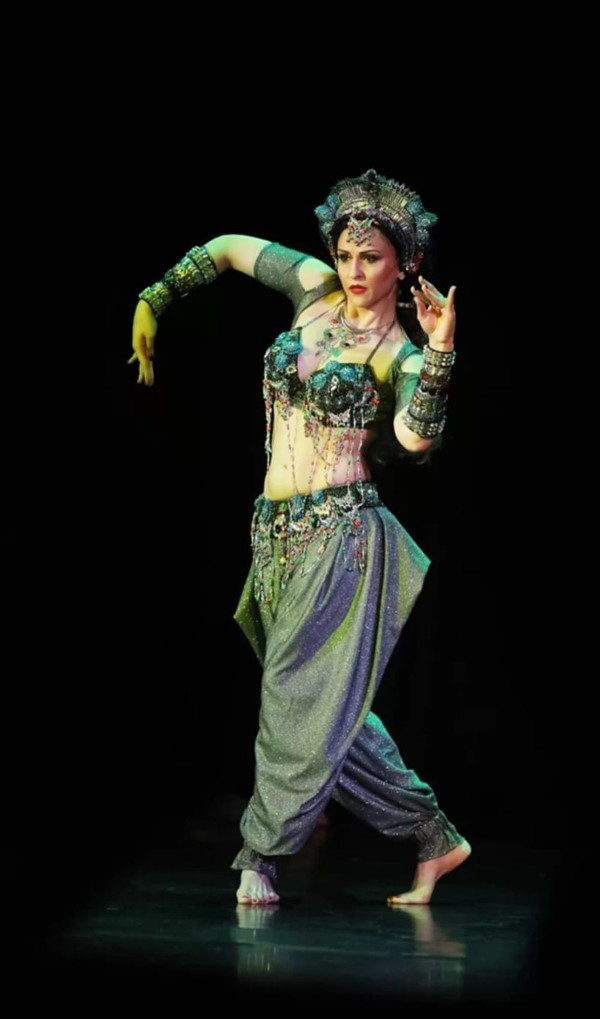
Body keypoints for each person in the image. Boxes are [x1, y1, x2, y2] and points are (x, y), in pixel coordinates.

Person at [130, 169, 471, 907]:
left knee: (290, 696)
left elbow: (414, 438)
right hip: (274, 534)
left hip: (342, 535)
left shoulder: (401, 352)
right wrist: (155, 297)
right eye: (346, 254)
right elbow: (228, 247)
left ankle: (260, 854)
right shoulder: (311, 287)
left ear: (404, 263)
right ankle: (433, 836)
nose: (354, 270)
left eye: (371, 257)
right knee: (326, 709)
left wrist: (441, 351)